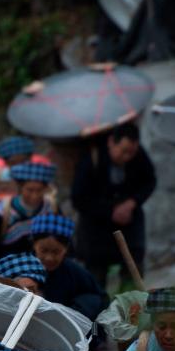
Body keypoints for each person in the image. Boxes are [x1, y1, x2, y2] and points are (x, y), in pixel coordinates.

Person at [71, 122, 156, 291]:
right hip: (96, 233)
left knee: (132, 282)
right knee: (94, 283)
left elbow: (149, 181)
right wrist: (110, 211)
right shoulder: (92, 158)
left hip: (130, 230)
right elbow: (79, 199)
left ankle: (130, 314)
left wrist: (132, 202)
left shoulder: (138, 156)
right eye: (123, 151)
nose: (127, 157)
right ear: (111, 142)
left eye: (131, 152)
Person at [0, 162, 58, 269]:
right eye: (30, 190)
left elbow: (61, 241)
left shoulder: (50, 208)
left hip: (41, 267)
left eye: (39, 190)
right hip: (7, 267)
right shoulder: (5, 209)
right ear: (20, 188)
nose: (34, 195)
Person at [30, 214, 108, 321]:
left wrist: (75, 312)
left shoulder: (74, 271)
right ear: (34, 245)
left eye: (56, 252)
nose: (49, 258)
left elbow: (100, 298)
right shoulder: (23, 269)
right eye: (43, 251)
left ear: (66, 249)